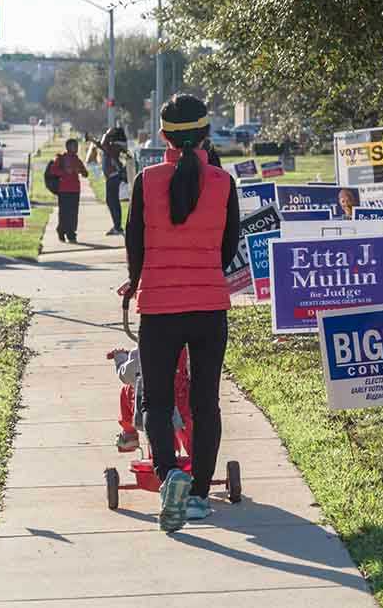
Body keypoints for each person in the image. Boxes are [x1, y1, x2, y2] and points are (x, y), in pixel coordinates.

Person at [125, 94, 239, 532]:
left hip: (159, 307)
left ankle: (169, 473)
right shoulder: (223, 182)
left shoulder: (147, 180)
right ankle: (197, 495)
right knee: (204, 400)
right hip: (210, 307)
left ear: (164, 135)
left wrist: (135, 282)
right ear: (206, 133)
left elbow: (136, 245)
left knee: (157, 399)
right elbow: (228, 250)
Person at [86, 128, 128, 235]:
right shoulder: (114, 146)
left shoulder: (117, 146)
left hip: (114, 175)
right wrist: (93, 140)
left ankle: (117, 227)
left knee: (112, 201)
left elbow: (105, 146)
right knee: (113, 201)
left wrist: (106, 134)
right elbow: (104, 147)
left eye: (110, 133)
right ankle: (117, 226)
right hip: (112, 176)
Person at [50, 138, 88, 243]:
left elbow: (85, 173)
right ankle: (61, 230)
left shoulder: (77, 159)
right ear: (68, 147)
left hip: (75, 190)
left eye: (77, 146)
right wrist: (65, 172)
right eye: (74, 146)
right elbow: (53, 170)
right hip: (64, 190)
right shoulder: (61, 158)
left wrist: (80, 171)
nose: (76, 148)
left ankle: (71, 233)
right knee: (64, 213)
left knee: (73, 213)